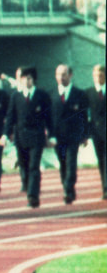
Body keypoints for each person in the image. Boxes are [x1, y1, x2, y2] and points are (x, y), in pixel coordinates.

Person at [1, 65, 53, 209]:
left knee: (34, 166)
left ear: (33, 80)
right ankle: (29, 186)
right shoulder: (16, 96)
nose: (26, 81)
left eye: (29, 78)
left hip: (36, 137)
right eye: (23, 78)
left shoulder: (42, 95)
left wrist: (52, 135)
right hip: (21, 137)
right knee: (24, 166)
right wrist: (5, 135)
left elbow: (49, 118)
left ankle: (33, 196)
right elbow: (10, 117)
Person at [51, 64, 89, 205]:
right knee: (63, 163)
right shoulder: (51, 94)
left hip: (73, 135)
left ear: (70, 75)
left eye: (64, 74)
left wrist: (85, 135)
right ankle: (67, 187)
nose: (61, 77)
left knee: (71, 163)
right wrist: (48, 134)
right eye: (58, 74)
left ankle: (68, 189)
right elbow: (48, 117)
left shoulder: (79, 94)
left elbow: (84, 116)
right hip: (57, 136)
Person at [90, 64, 106, 199]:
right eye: (96, 75)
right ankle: (104, 187)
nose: (98, 77)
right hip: (96, 132)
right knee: (101, 160)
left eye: (101, 75)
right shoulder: (88, 93)